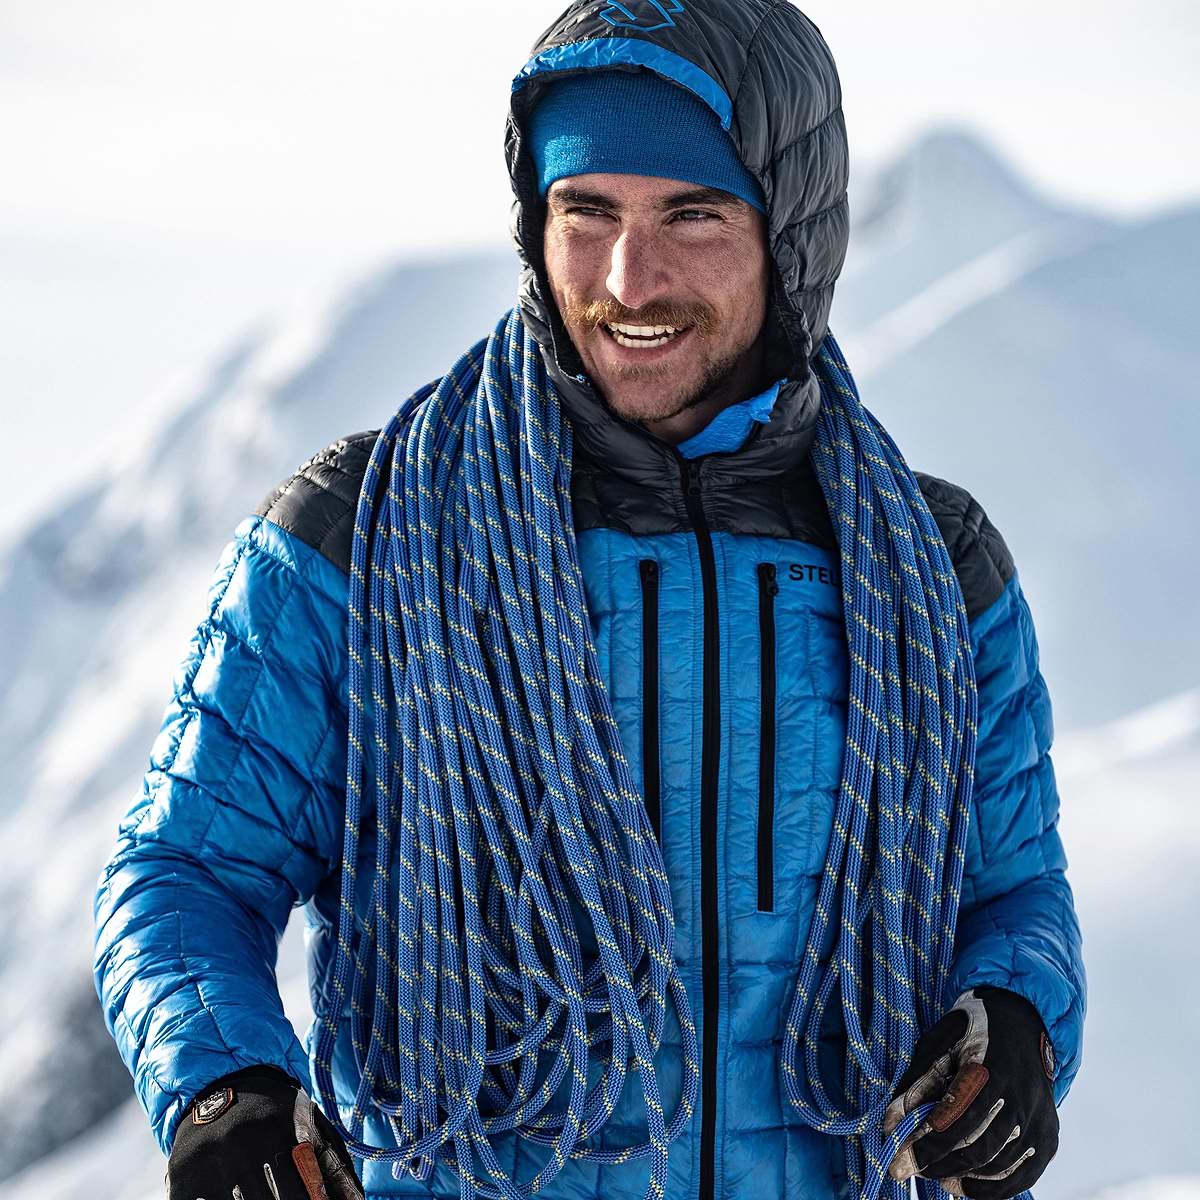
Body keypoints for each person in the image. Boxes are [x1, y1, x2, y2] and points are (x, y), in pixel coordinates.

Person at [92, 2, 1086, 1199]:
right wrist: (223, 1080)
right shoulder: (367, 536)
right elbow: (185, 869)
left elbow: (1015, 889)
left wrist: (1018, 1012)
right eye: (587, 213)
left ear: (794, 231)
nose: (629, 278)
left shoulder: (934, 568)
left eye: (693, 215)